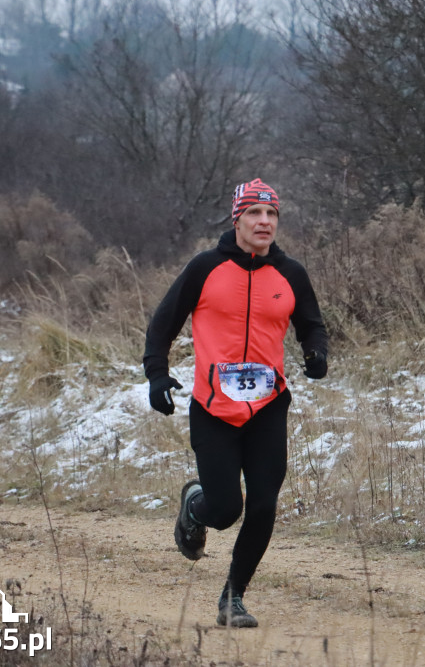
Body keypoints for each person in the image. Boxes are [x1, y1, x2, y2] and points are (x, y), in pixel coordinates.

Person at [142, 178, 329, 628]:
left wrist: (316, 353)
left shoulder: (292, 274)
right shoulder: (205, 268)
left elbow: (312, 325)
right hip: (213, 408)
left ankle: (233, 597)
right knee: (226, 511)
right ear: (237, 219)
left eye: (272, 215)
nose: (264, 222)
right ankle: (196, 505)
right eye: (254, 214)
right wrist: (157, 374)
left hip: (268, 407)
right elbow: (163, 323)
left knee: (263, 504)